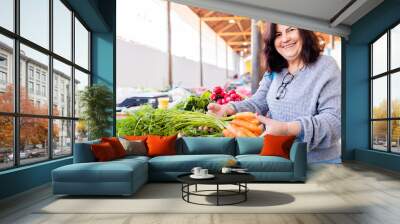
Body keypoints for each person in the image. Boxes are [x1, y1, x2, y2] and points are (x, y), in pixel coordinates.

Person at [208, 24, 341, 163]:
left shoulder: (326, 66)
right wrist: (229, 108)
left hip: (317, 165)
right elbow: (258, 102)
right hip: (277, 159)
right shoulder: (274, 70)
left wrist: (288, 129)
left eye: (291, 30)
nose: (285, 38)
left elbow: (334, 122)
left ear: (304, 31)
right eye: (278, 35)